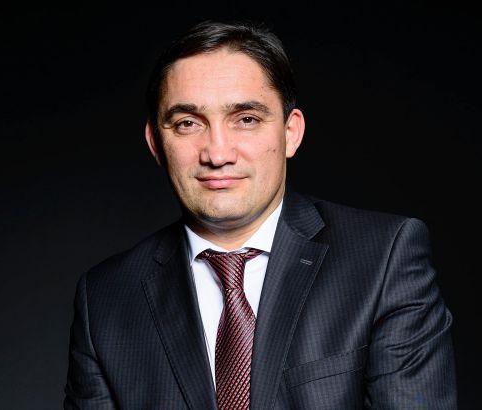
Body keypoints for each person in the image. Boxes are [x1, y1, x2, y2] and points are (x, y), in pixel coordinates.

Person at [64, 20, 457, 409]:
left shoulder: (383, 258)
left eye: (246, 120)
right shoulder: (105, 298)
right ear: (156, 143)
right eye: (187, 124)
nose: (218, 153)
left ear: (290, 133)